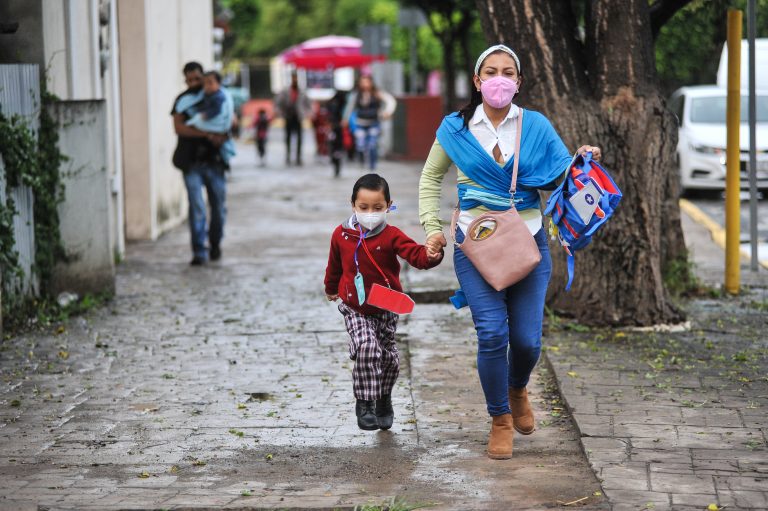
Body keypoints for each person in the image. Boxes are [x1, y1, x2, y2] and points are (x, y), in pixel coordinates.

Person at [418, 44, 601, 459]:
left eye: (507, 72)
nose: (499, 79)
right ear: (478, 81)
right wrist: (433, 229)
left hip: (529, 244)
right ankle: (499, 419)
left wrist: (583, 160)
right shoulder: (456, 128)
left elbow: (561, 176)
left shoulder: (535, 126)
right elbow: (430, 179)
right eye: (490, 71)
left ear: (517, 82)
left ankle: (518, 388)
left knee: (527, 342)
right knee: (492, 334)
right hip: (476, 246)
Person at [324, 174, 443, 431]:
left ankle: (383, 398)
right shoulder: (341, 235)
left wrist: (432, 254)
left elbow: (416, 255)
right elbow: (334, 265)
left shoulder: (391, 235)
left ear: (389, 205)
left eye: (377, 208)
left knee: (388, 359)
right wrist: (331, 288)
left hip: (387, 308)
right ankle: (364, 402)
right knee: (368, 347)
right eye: (364, 207)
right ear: (353, 204)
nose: (370, 213)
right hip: (355, 308)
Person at [171, 62, 230, 266]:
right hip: (191, 162)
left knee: (219, 208)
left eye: (197, 79)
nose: (194, 83)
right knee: (197, 207)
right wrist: (205, 133)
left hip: (215, 161)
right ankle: (199, 250)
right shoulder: (183, 101)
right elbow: (178, 127)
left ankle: (215, 244)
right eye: (189, 80)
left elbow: (232, 120)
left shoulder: (218, 96)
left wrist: (223, 132)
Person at [343, 75, 396, 171]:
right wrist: (346, 119)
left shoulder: (377, 93)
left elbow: (390, 101)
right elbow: (350, 107)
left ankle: (372, 165)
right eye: (362, 82)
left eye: (367, 82)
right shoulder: (356, 95)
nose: (365, 84)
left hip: (374, 122)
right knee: (360, 145)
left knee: (372, 145)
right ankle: (361, 161)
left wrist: (387, 112)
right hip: (360, 123)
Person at [185, 71, 236, 168]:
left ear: (219, 83)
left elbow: (217, 110)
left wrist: (206, 116)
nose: (207, 86)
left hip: (218, 125)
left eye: (210, 83)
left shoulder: (219, 96)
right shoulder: (204, 96)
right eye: (204, 84)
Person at [274, 72, 311, 166]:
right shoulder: (285, 91)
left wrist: (306, 113)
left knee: (299, 138)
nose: (295, 80)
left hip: (298, 117)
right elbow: (278, 103)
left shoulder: (302, 91)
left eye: (296, 78)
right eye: (293, 78)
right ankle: (288, 156)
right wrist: (280, 112)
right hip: (288, 117)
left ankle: (298, 157)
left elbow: (308, 104)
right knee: (288, 138)